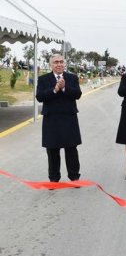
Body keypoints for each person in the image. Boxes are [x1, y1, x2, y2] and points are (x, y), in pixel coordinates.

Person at [36, 53, 82, 183]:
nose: (59, 64)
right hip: (52, 119)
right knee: (52, 150)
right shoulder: (44, 79)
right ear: (51, 64)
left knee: (71, 150)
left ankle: (74, 178)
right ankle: (54, 179)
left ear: (64, 64)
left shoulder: (72, 78)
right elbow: (39, 96)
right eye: (56, 62)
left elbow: (78, 94)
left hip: (69, 118)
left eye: (61, 62)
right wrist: (55, 89)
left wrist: (65, 88)